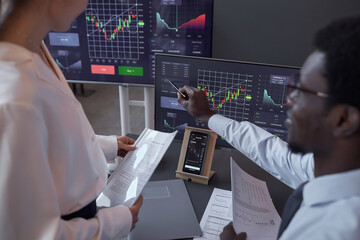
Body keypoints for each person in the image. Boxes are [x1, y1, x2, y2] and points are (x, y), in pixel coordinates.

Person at [178, 16, 360, 240]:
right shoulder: (331, 170)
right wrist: (207, 116)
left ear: (344, 119)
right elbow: (273, 152)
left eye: (303, 91)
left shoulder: (331, 231)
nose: (290, 101)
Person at [0, 0, 143, 239]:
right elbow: (31, 234)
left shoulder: (31, 46)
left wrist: (108, 146)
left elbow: (48, 138)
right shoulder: (17, 95)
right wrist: (117, 222)